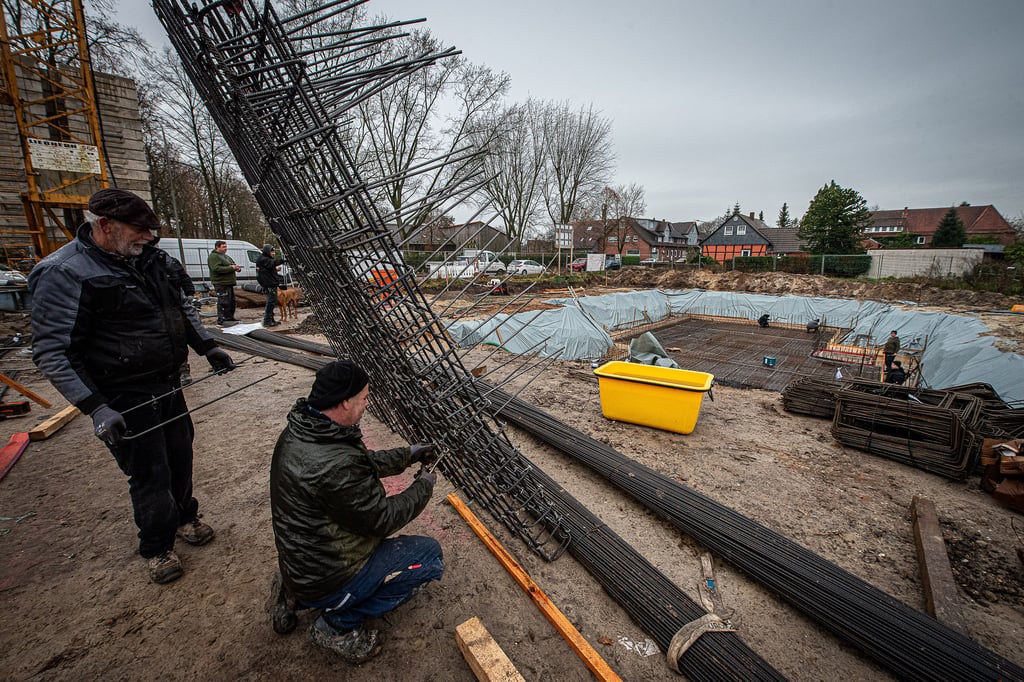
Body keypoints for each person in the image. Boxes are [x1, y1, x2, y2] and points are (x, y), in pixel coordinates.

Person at [28, 188, 237, 584]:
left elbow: (180, 306)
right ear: (105, 226)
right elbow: (53, 351)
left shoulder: (151, 259)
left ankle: (185, 518)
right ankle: (157, 547)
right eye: (140, 230)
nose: (149, 237)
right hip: (121, 393)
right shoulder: (64, 271)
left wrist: (207, 347)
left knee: (180, 454)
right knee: (149, 470)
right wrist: (94, 406)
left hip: (167, 382)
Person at [269, 360, 443, 663]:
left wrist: (407, 455)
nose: (367, 404)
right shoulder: (334, 465)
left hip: (300, 566)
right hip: (329, 575)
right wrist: (423, 486)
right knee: (429, 556)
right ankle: (336, 624)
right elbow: (382, 519)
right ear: (345, 401)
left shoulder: (304, 432)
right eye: (363, 398)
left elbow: (358, 464)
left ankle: (292, 597)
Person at [207, 239, 241, 325]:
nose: (226, 248)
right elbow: (216, 268)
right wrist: (231, 268)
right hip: (221, 283)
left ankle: (230, 317)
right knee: (223, 301)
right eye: (223, 247)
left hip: (229, 283)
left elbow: (232, 264)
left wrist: (237, 268)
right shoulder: (214, 257)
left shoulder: (226, 256)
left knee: (231, 301)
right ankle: (222, 319)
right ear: (217, 247)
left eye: (226, 247)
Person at [256, 244, 285, 327]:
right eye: (272, 252)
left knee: (272, 302)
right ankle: (267, 321)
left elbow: (267, 267)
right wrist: (283, 260)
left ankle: (271, 319)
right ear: (267, 251)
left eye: (274, 251)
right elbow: (273, 262)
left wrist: (274, 269)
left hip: (269, 283)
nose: (273, 253)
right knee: (271, 302)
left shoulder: (264, 258)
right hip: (269, 284)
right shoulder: (264, 259)